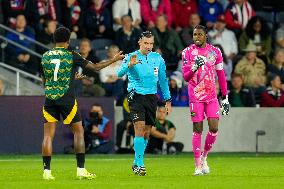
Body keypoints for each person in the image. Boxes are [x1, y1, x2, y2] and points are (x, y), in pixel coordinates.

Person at [41, 26, 124, 180]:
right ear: (67, 41)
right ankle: (81, 170)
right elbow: (95, 67)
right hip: (67, 99)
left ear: (54, 40)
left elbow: (46, 80)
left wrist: (71, 77)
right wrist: (113, 60)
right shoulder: (71, 54)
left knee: (47, 136)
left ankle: (46, 172)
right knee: (78, 132)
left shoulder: (45, 56)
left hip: (50, 99)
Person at [117, 31, 172, 176]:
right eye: (146, 43)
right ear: (139, 43)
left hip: (151, 98)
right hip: (136, 96)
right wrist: (129, 64)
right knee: (139, 128)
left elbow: (163, 80)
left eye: (151, 43)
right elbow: (119, 74)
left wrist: (167, 99)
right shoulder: (131, 56)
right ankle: (140, 165)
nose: (149, 46)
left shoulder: (158, 58)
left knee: (147, 131)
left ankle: (136, 161)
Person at [181, 25, 229, 175]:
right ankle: (197, 166)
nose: (196, 37)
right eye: (194, 34)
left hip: (211, 96)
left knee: (214, 128)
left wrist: (225, 98)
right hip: (195, 96)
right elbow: (186, 77)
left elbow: (221, 75)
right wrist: (194, 67)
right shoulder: (187, 52)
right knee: (198, 129)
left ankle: (204, 157)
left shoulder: (215, 52)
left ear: (206, 36)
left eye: (200, 34)